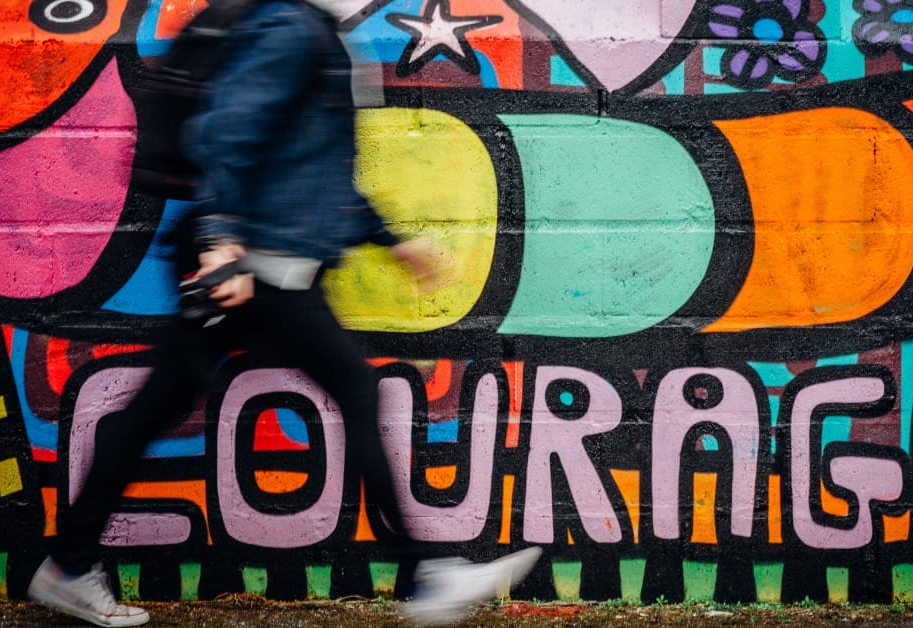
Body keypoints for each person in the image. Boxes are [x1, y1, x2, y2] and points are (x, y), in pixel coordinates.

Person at [27, 1, 540, 626]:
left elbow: (315, 170)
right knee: (340, 392)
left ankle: (69, 564)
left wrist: (392, 243)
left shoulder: (309, 30)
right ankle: (424, 577)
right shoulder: (291, 28)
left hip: (270, 266)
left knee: (157, 410)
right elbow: (225, 128)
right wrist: (220, 239)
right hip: (254, 269)